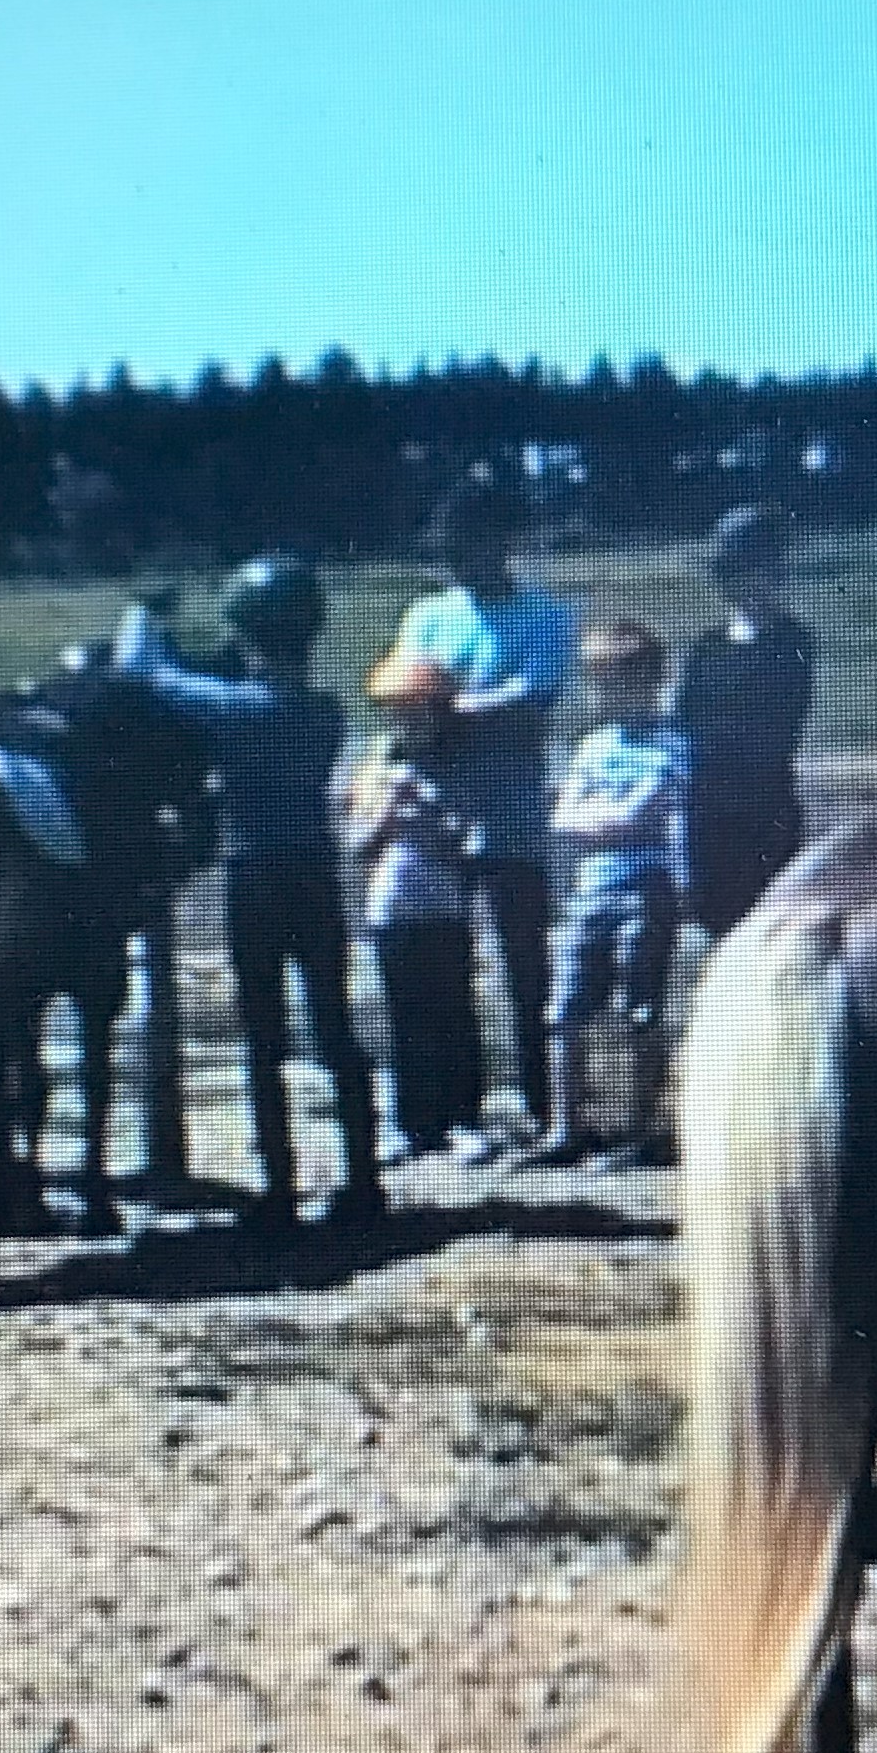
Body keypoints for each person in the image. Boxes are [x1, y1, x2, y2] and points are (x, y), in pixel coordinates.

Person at [111, 555, 387, 1234]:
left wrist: (145, 612)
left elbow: (138, 672)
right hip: (316, 874)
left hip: (253, 876)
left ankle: (279, 1187)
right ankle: (363, 1178)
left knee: (263, 1035)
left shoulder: (235, 710)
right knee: (332, 1024)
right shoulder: (323, 712)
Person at [372, 473, 581, 1145]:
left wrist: (449, 708)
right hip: (436, 817)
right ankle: (454, 1110)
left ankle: (544, 1103)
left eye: (478, 543)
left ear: (505, 544)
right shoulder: (426, 616)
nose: (465, 558)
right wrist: (453, 711)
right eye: (454, 547)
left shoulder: (546, 616)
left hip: (510, 813)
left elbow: (531, 699)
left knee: (524, 964)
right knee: (442, 966)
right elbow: (404, 697)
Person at [530, 619, 692, 1166]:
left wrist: (602, 817)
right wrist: (606, 819)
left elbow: (644, 812)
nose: (609, 693)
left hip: (647, 888)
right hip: (591, 889)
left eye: (620, 680)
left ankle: (640, 1128)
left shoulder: (673, 744)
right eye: (600, 681)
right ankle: (565, 1126)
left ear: (648, 680)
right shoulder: (593, 745)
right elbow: (564, 817)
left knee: (637, 1007)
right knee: (566, 1008)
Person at [669, 505, 817, 935]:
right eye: (742, 572)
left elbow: (782, 723)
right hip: (708, 807)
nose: (757, 584)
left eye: (768, 570)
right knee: (713, 921)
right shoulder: (706, 647)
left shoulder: (791, 641)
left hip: (763, 803)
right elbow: (683, 721)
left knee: (768, 921)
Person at [345, 731, 479, 1158]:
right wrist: (387, 807)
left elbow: (465, 844)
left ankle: (462, 1120)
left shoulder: (456, 777)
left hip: (444, 909)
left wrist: (429, 810)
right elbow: (357, 843)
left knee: (454, 1015)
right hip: (392, 912)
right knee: (405, 1019)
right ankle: (409, 1125)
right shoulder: (373, 779)